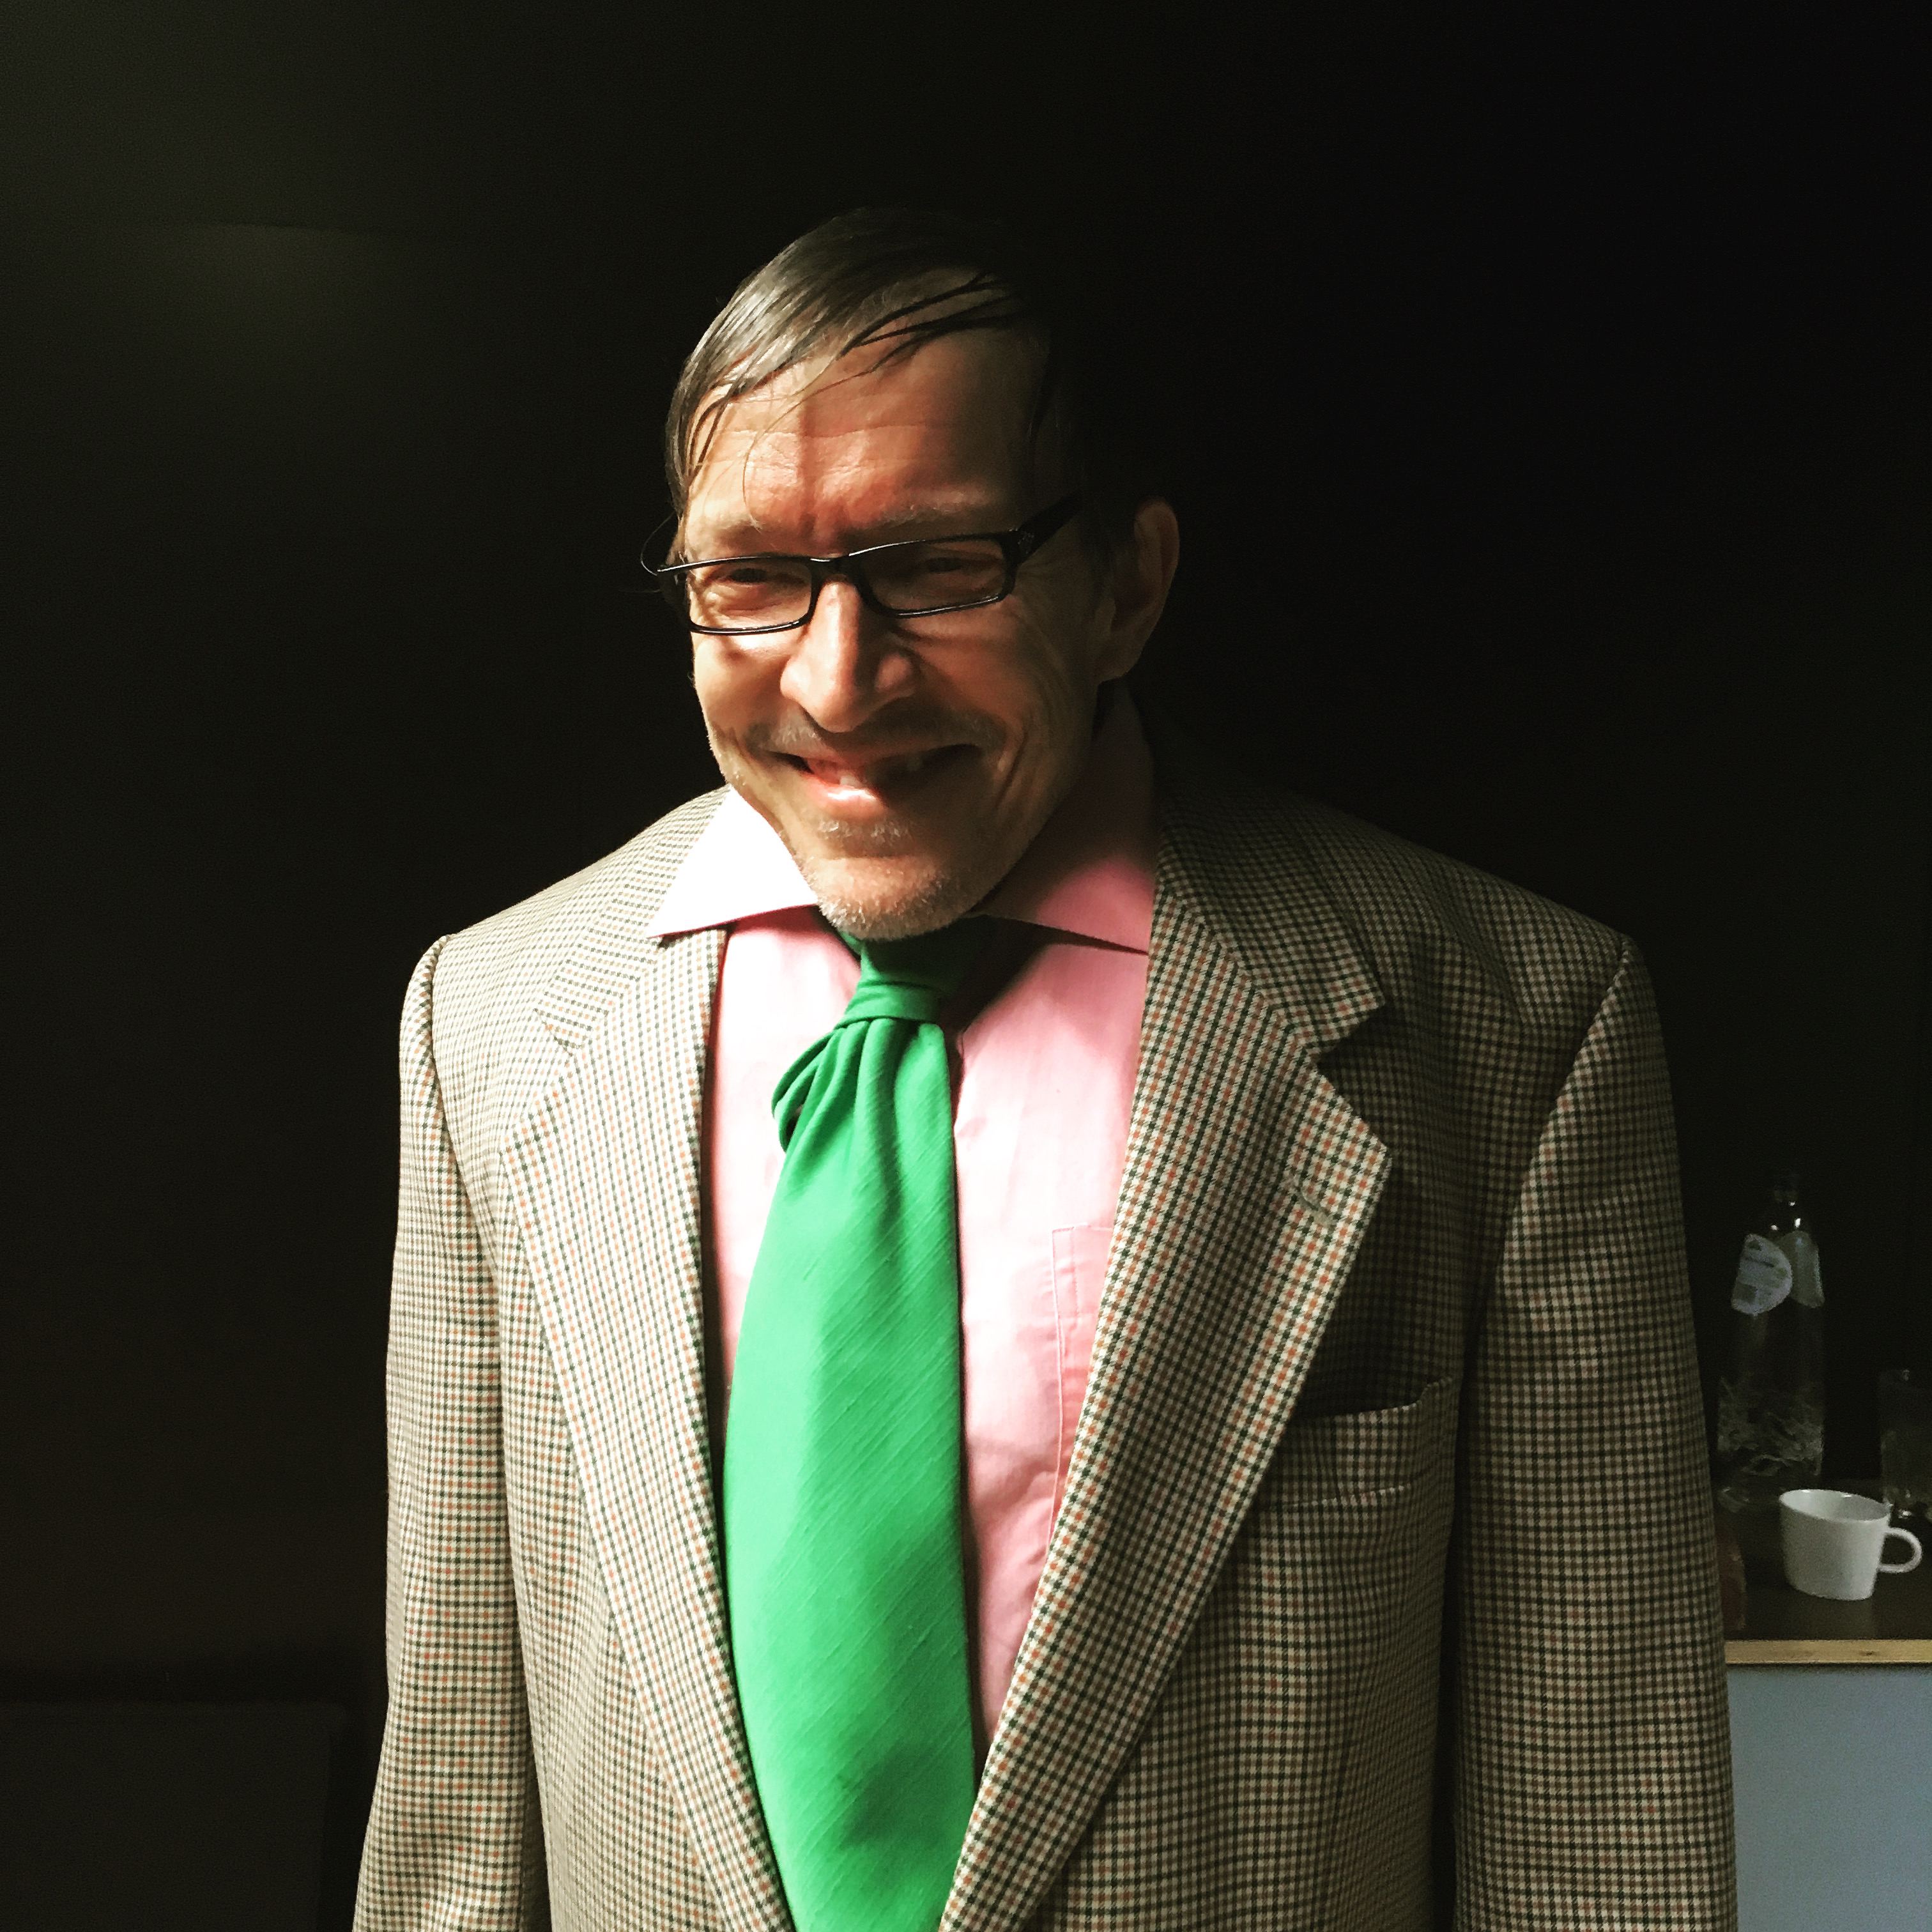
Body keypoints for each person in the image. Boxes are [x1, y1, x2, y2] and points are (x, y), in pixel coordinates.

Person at [355, 208, 1736, 1930]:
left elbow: (1598, 1836)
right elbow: (459, 1805)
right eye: (751, 578)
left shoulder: (1515, 1033)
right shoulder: (491, 1024)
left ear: (1126, 589)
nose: (838, 683)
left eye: (939, 567)